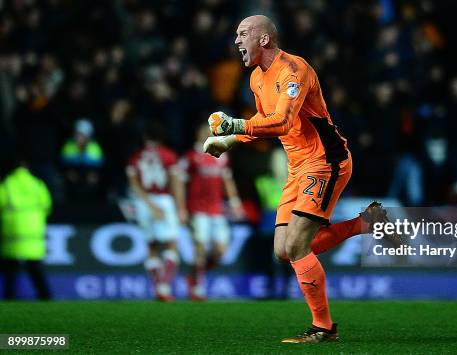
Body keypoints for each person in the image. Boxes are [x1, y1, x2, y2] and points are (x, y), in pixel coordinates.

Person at [203, 15, 389, 343]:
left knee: (298, 245)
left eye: (242, 33)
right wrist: (229, 140)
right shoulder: (256, 80)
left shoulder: (294, 70)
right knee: (283, 251)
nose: (236, 40)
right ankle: (364, 224)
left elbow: (285, 121)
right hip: (297, 167)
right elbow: (263, 120)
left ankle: (323, 328)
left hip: (325, 160)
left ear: (263, 39)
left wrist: (234, 126)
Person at [179, 121, 243, 301]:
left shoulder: (220, 155)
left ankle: (194, 275)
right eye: (205, 132)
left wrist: (235, 202)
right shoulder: (191, 156)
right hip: (197, 209)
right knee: (200, 246)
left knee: (220, 251)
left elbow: (227, 181)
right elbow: (180, 182)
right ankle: (198, 287)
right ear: (198, 135)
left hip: (216, 210)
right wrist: (181, 207)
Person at [126, 123, 185, 302]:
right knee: (171, 245)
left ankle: (157, 287)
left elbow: (133, 183)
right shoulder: (168, 155)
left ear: (145, 138)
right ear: (161, 138)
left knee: (151, 247)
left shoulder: (136, 157)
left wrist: (148, 204)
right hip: (163, 201)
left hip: (143, 202)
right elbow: (176, 183)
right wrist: (181, 208)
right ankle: (164, 287)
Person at [0, 158, 52, 300]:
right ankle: (46, 299)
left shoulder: (6, 184)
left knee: (10, 271)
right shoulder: (37, 183)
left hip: (13, 235)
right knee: (36, 271)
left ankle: (9, 299)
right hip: (34, 235)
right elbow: (47, 206)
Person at [61, 118, 104, 201]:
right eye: (77, 134)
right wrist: (68, 172)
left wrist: (94, 174)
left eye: (82, 135)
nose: (79, 138)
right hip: (73, 175)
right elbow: (63, 164)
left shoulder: (95, 148)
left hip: (88, 175)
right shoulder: (68, 146)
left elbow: (99, 167)